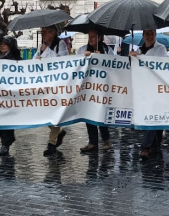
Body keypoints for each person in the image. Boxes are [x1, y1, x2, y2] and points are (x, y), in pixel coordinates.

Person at [133, 29, 169, 159]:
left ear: (155, 35)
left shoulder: (161, 48)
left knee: (152, 115)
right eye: (147, 34)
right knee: (153, 117)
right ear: (143, 36)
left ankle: (145, 147)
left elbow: (157, 63)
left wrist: (139, 58)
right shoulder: (138, 50)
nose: (149, 36)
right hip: (143, 88)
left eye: (152, 34)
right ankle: (156, 144)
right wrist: (131, 58)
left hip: (156, 88)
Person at [78, 28, 114, 153]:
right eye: (89, 37)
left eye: (93, 37)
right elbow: (76, 64)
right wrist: (85, 57)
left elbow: (113, 65)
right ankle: (92, 142)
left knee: (101, 113)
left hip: (102, 87)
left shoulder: (107, 50)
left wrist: (102, 58)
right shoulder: (83, 50)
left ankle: (106, 140)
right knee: (89, 114)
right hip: (88, 87)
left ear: (99, 38)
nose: (90, 39)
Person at [36, 25, 70, 156]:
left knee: (55, 113)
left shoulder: (60, 44)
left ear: (52, 33)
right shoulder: (41, 46)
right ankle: (58, 133)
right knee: (44, 113)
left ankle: (51, 143)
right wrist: (39, 56)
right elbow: (35, 60)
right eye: (42, 32)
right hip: (44, 84)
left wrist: (47, 51)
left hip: (57, 85)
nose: (43, 34)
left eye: (45, 32)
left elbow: (63, 61)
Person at [0, 36, 22, 156]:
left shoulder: (16, 59)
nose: (2, 46)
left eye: (5, 44)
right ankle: (5, 140)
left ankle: (6, 143)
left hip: (10, 94)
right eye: (1, 44)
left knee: (7, 118)